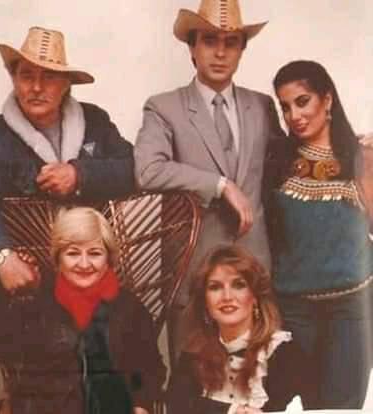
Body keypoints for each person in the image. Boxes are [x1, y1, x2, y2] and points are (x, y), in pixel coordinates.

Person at [0, 26, 134, 340]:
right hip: (33, 282)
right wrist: (2, 256)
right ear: (13, 79)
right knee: (35, 342)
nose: (36, 87)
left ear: (66, 84)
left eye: (48, 77)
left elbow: (134, 167)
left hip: (92, 270)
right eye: (26, 76)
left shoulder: (96, 122)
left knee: (127, 333)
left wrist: (80, 175)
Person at [133, 0, 285, 360]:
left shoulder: (261, 106)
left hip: (255, 273)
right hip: (192, 273)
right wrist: (220, 185)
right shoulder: (164, 107)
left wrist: (345, 147)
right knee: (192, 384)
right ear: (192, 48)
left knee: (261, 381)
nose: (220, 52)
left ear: (242, 50)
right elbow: (147, 170)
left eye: (231, 42)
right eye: (209, 41)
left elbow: (285, 167)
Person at [0, 207, 166, 414]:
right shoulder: (37, 297)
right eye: (73, 253)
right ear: (58, 258)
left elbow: (150, 367)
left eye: (95, 253)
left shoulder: (129, 306)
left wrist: (141, 405)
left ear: (109, 258)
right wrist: (4, 283)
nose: (84, 264)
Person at [264, 60, 373, 409]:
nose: (294, 115)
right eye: (285, 107)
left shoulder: (362, 158)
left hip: (352, 311)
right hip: (294, 311)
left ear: (327, 100)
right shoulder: (277, 162)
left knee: (343, 408)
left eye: (302, 101)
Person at [167, 245, 311, 414]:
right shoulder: (193, 354)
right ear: (204, 301)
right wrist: (230, 411)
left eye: (238, 285)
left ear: (255, 297)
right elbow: (177, 407)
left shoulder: (283, 352)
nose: (227, 296)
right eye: (215, 287)